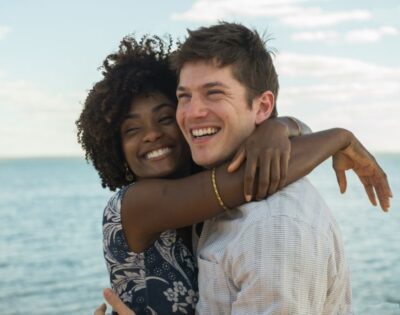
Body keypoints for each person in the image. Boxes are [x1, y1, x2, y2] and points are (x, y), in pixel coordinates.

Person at [82, 33, 391, 315]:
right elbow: (247, 180)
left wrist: (281, 127)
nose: (152, 135)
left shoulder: (254, 219)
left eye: (165, 117)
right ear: (114, 146)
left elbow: (254, 166)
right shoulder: (138, 204)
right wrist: (337, 137)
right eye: (132, 129)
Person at [168, 22, 392, 314]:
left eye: (214, 93)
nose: (192, 111)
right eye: (184, 96)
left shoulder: (272, 229)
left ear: (262, 107)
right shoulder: (225, 194)